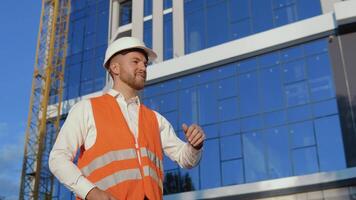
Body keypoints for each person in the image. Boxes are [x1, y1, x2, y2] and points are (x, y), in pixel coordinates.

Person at [49, 37, 205, 200]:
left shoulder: (155, 119)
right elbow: (57, 158)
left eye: (145, 64)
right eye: (135, 62)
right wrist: (91, 192)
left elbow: (185, 158)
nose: (143, 68)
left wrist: (195, 146)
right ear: (115, 68)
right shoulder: (86, 109)